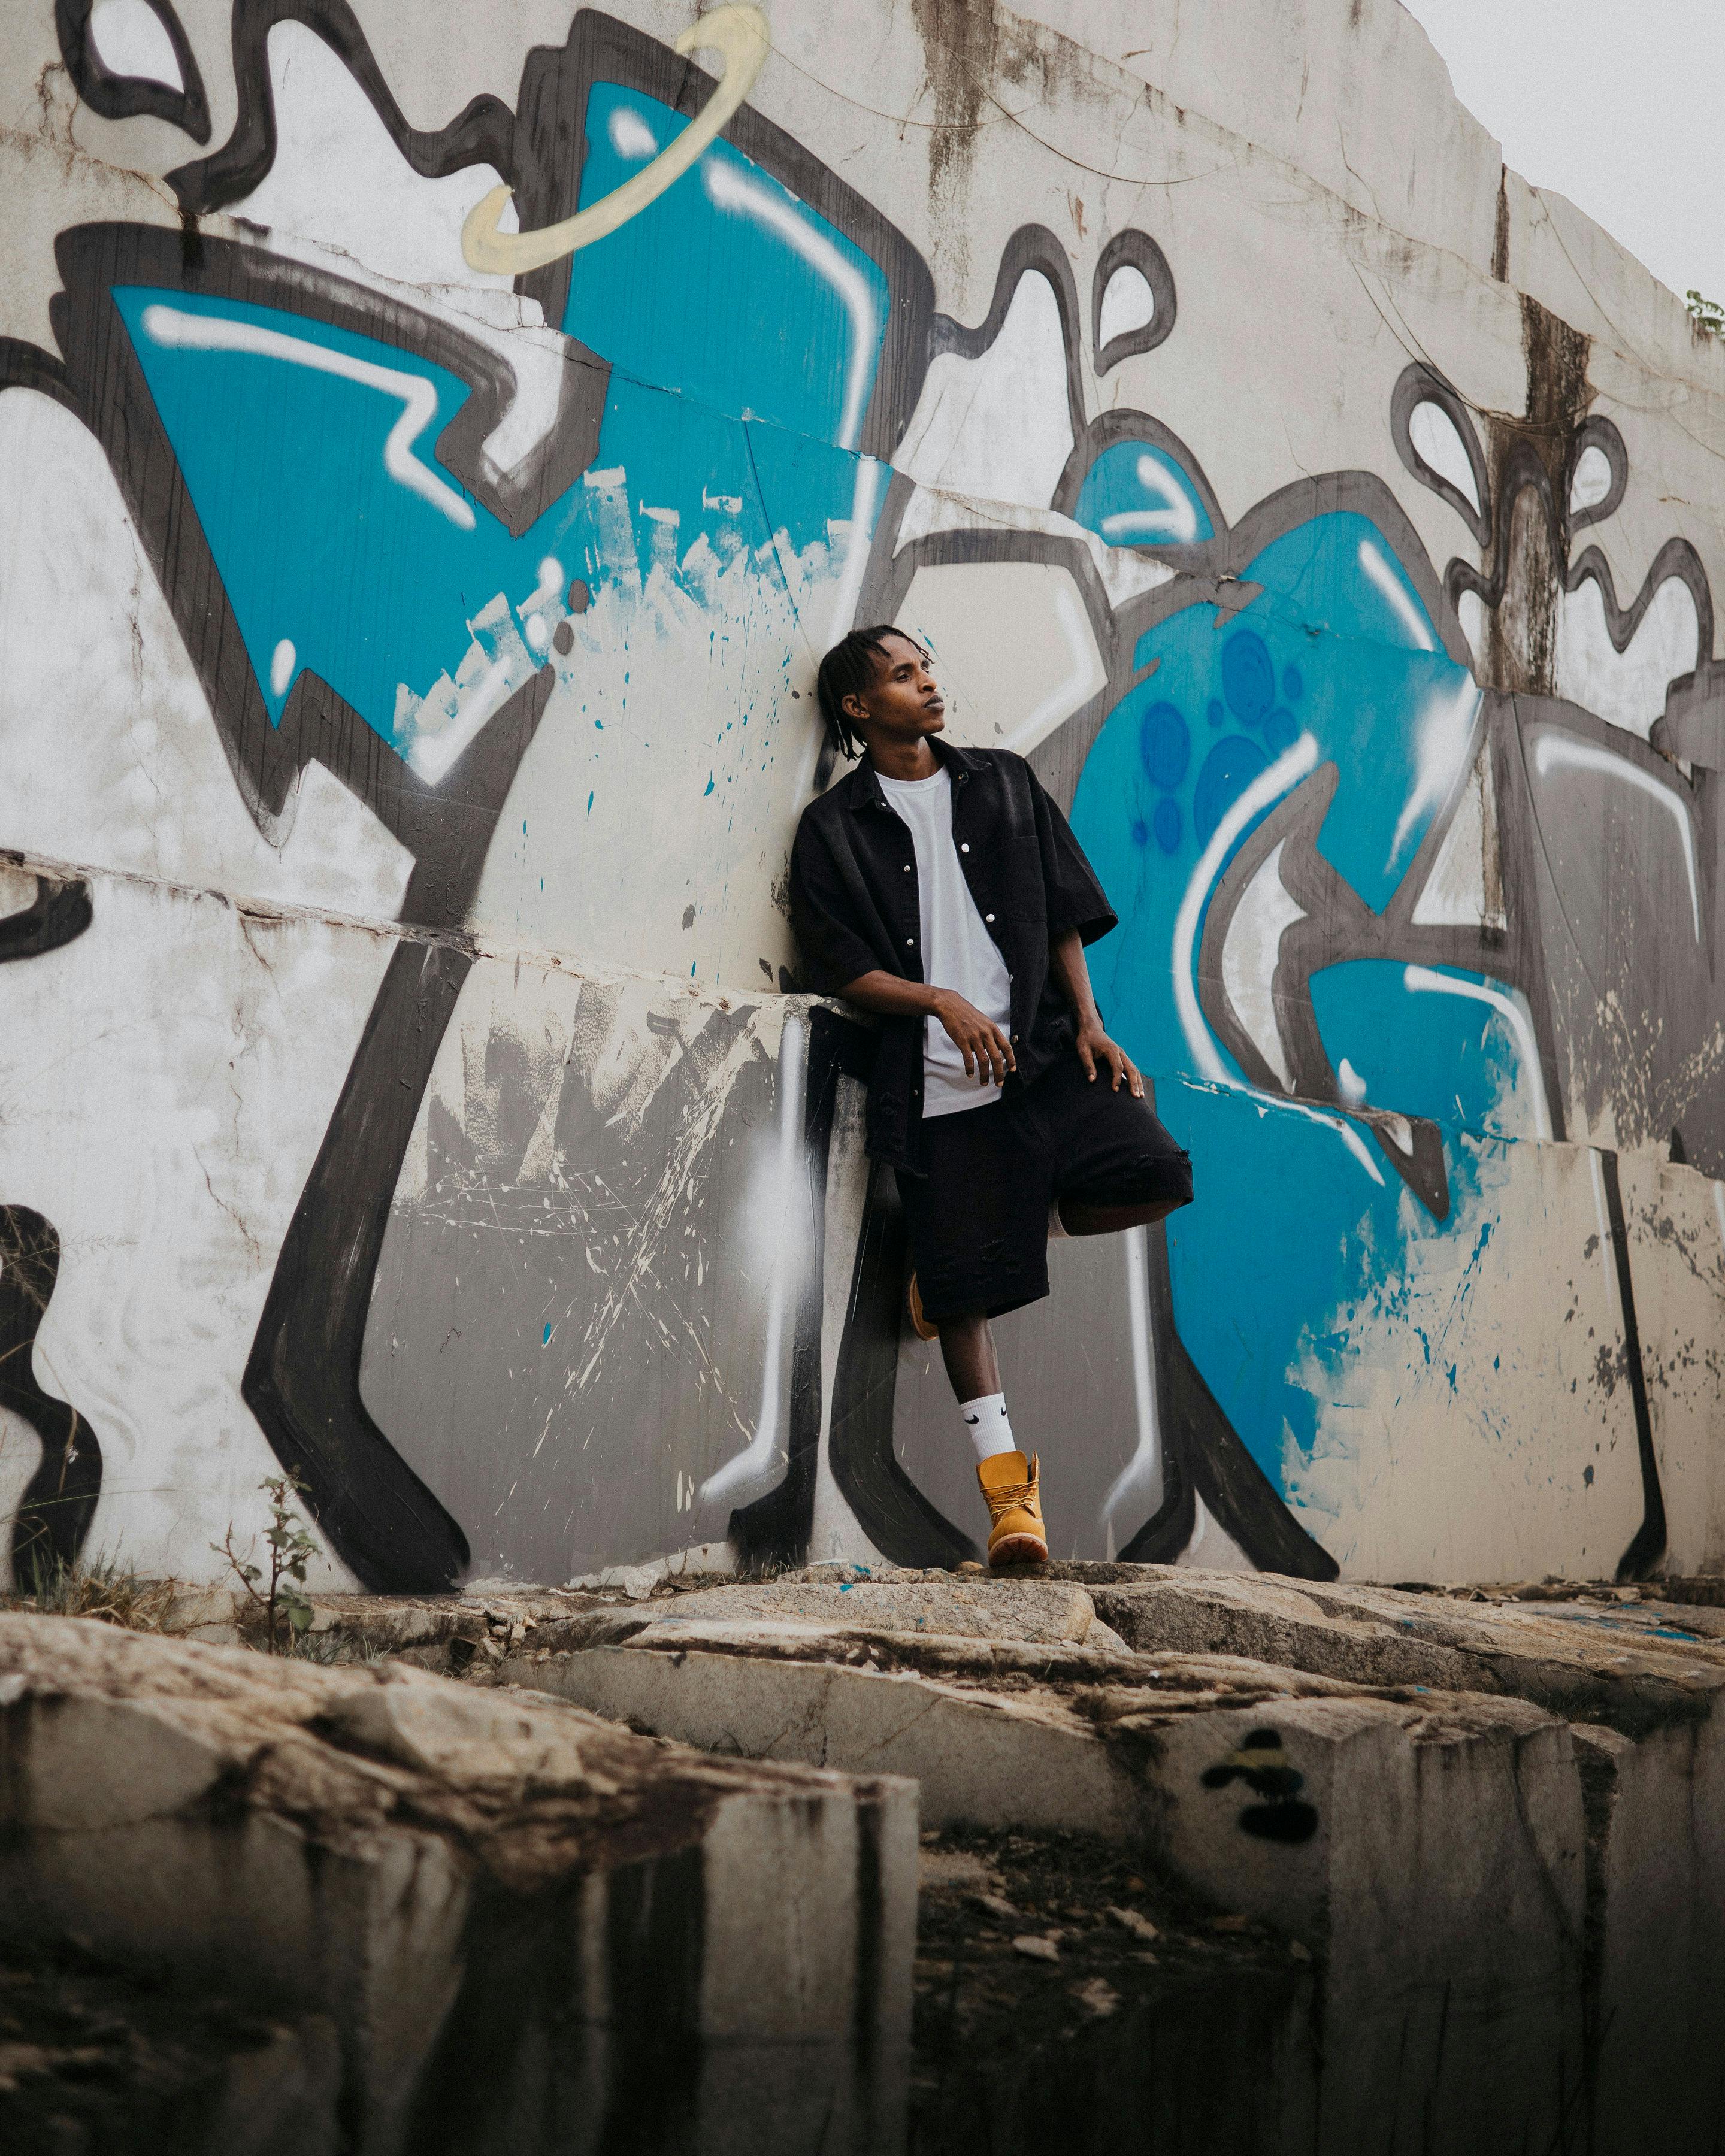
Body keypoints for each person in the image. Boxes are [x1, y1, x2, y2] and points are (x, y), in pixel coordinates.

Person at [789, 626, 1194, 1566]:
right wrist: (937, 1001)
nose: (929, 683)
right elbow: (842, 968)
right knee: (964, 1310)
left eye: (929, 666)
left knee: (1157, 1172)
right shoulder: (835, 830)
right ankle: (1014, 1509)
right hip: (936, 1094)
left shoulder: (1004, 782)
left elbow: (1060, 912)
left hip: (1046, 1061)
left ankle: (997, 1227)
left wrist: (1090, 1021)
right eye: (902, 675)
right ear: (858, 708)